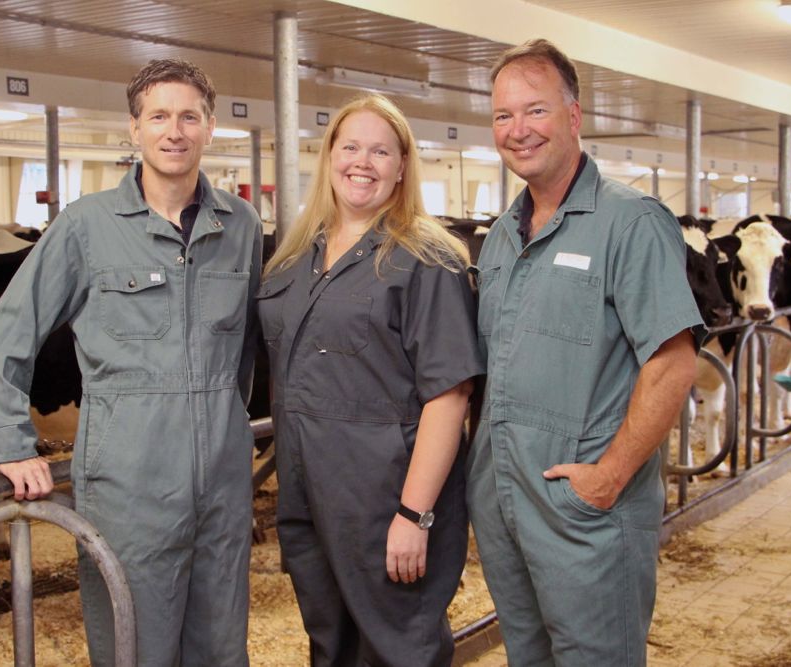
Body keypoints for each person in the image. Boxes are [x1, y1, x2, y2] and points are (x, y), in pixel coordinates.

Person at [0, 59, 262, 667]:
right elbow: (9, 331)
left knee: (221, 647)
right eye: (158, 116)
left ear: (210, 128)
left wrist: (232, 426)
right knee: (135, 647)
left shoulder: (240, 225)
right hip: (129, 481)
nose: (175, 130)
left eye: (190, 116)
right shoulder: (85, 225)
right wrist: (10, 438)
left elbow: (241, 354)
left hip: (222, 478)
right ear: (133, 130)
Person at [466, 39, 704, 666]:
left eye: (535, 111)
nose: (518, 131)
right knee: (528, 654)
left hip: (586, 510)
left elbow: (674, 361)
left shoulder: (631, 221)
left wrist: (610, 476)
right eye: (502, 116)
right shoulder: (499, 239)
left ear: (574, 116)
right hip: (504, 501)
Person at [259, 94, 483, 667]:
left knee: (398, 650)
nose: (364, 162)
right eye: (351, 147)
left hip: (385, 503)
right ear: (329, 155)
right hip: (309, 499)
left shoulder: (428, 259)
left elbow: (449, 395)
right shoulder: (294, 258)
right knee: (329, 647)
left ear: (403, 166)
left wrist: (414, 515)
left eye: (381, 150)